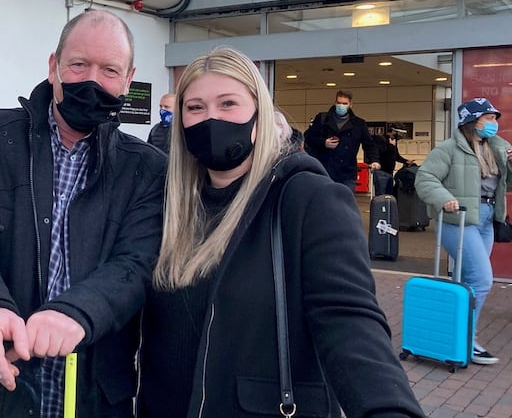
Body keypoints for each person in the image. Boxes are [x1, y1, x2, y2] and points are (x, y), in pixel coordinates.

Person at [137, 47, 423, 418]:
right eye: (195, 108)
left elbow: (349, 319)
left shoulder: (309, 199)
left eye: (228, 104)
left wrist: (388, 408)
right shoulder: (170, 203)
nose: (211, 119)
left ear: (260, 115)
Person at [0, 10, 167, 418]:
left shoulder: (146, 167)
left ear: (128, 80)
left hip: (94, 388)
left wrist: (79, 310)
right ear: (53, 67)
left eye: (109, 69)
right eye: (79, 64)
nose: (92, 80)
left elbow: (137, 261)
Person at [414, 97, 512, 366]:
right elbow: (425, 178)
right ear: (472, 121)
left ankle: (457, 335)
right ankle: (466, 339)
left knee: (472, 280)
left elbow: (508, 184)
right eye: (488, 118)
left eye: (494, 118)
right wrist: (444, 197)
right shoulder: (448, 149)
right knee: (482, 279)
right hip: (458, 219)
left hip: (487, 218)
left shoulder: (499, 148)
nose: (493, 123)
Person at [304, 90, 380, 190]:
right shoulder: (322, 119)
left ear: (350, 105)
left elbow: (369, 144)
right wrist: (323, 143)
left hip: (347, 172)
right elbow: (309, 138)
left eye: (344, 103)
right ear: (335, 103)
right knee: (324, 202)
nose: (341, 106)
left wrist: (374, 160)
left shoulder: (358, 124)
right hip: (324, 170)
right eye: (339, 103)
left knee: (344, 202)